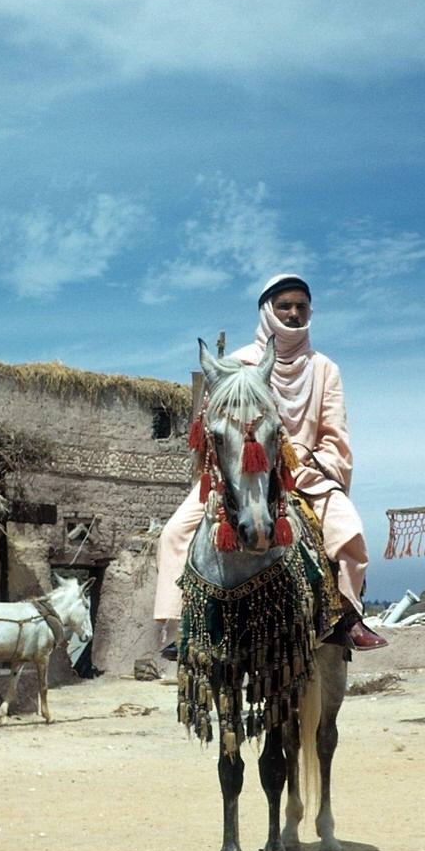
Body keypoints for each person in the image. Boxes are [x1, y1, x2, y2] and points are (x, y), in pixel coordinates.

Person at [153, 273, 387, 650]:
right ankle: (182, 623)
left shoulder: (325, 368)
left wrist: (297, 461)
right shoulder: (236, 363)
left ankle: (347, 617)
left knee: (349, 533)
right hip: (238, 472)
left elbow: (335, 436)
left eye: (302, 307)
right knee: (175, 532)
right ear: (267, 311)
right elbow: (214, 428)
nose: (294, 314)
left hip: (305, 473)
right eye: (285, 306)